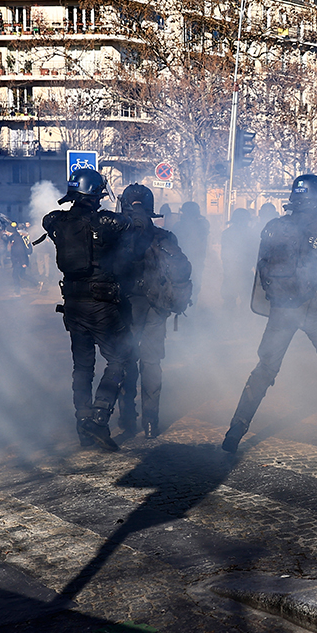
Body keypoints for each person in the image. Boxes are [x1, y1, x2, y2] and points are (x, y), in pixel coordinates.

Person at [222, 174, 317, 453]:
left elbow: (261, 267)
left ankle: (235, 430)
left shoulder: (272, 228)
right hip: (312, 308)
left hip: (280, 308)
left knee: (264, 368)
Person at [42, 168, 130, 451]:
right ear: (94, 194)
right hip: (101, 304)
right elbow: (127, 224)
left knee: (82, 366)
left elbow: (49, 220)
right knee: (118, 359)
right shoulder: (104, 222)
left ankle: (82, 421)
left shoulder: (57, 221)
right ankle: (99, 419)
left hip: (72, 305)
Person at [113, 184, 192, 439]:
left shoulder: (117, 237)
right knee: (152, 363)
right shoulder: (165, 236)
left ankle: (127, 417)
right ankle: (151, 423)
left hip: (126, 306)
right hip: (157, 306)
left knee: (126, 361)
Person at [220, 207, 257, 312]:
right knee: (231, 301)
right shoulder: (249, 234)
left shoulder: (228, 233)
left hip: (240, 273)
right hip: (234, 273)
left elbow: (254, 255)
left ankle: (237, 324)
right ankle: (231, 324)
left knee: (246, 302)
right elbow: (225, 255)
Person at [172, 200, 210, 298]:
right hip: (190, 262)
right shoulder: (202, 225)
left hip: (186, 262)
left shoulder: (179, 226)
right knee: (193, 288)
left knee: (187, 288)